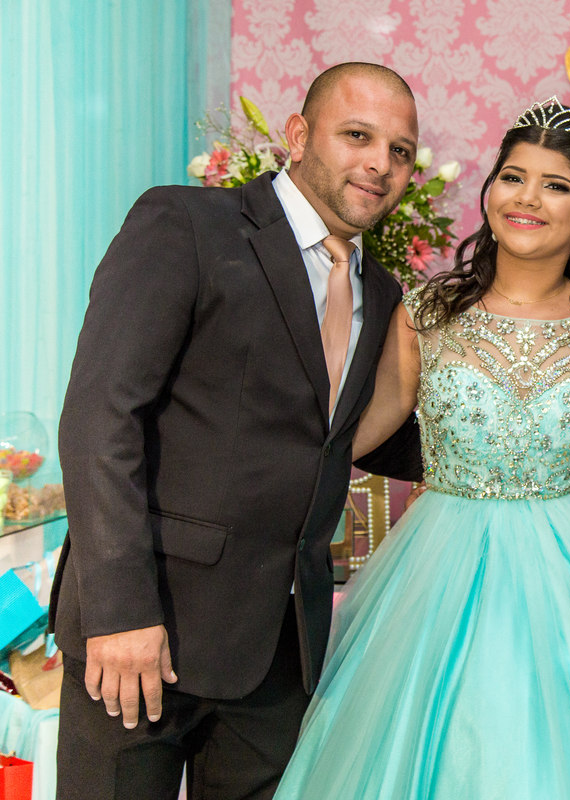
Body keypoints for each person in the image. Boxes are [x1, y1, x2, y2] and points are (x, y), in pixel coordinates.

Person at [271, 97, 570, 800]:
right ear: (490, 191)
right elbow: (357, 431)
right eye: (514, 177)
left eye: (556, 185)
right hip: (439, 563)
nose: (528, 198)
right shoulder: (427, 312)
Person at [50, 62, 424, 800]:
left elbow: (342, 434)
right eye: (357, 135)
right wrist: (120, 613)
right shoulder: (188, 223)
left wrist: (522, 439)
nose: (380, 163)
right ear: (298, 135)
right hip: (148, 632)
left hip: (281, 655)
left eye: (401, 150)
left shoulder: (382, 292)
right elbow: (101, 417)